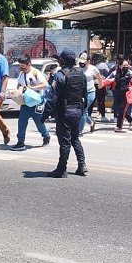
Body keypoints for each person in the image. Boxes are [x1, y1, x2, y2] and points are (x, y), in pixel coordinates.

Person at [47, 49, 88, 178]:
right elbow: (85, 95)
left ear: (63, 60)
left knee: (65, 142)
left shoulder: (60, 75)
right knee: (75, 138)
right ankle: (82, 165)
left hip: (64, 112)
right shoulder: (81, 74)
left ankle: (62, 169)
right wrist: (81, 110)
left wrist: (45, 115)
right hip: (77, 111)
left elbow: (53, 97)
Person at [11, 53, 51, 150]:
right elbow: (19, 84)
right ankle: (20, 141)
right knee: (22, 122)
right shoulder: (21, 74)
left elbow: (45, 84)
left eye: (23, 67)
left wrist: (32, 88)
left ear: (29, 64)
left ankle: (46, 135)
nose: (22, 69)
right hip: (25, 102)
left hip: (36, 102)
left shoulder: (35, 73)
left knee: (39, 122)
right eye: (20, 67)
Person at [78, 54, 103, 134]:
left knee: (82, 110)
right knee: (83, 111)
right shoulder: (77, 68)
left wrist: (100, 85)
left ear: (88, 61)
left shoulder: (93, 69)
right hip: (80, 93)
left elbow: (99, 77)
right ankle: (91, 122)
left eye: (84, 62)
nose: (82, 64)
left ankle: (79, 131)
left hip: (90, 92)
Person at [91, 53, 110, 123]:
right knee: (101, 101)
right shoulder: (103, 65)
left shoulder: (93, 65)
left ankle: (89, 115)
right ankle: (103, 116)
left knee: (92, 100)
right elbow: (108, 73)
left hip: (93, 83)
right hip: (100, 83)